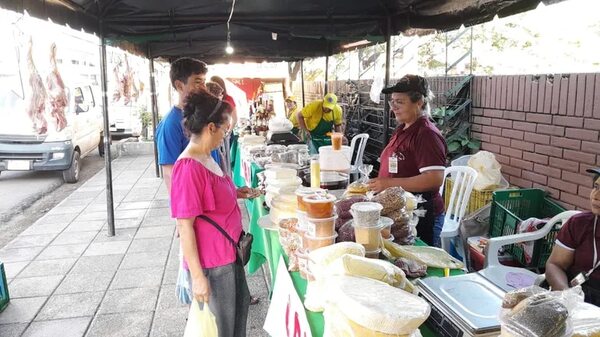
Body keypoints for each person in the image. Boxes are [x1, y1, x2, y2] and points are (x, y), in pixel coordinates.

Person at [170, 91, 255, 336]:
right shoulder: (188, 168)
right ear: (210, 127)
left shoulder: (207, 156)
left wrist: (237, 192)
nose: (224, 135)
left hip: (230, 256)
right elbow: (184, 226)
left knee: (234, 323)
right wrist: (197, 277)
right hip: (213, 266)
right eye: (223, 129)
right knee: (222, 329)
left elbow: (212, 197)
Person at [367, 75, 447, 247]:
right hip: (401, 212)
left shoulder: (426, 134)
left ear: (419, 102)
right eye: (392, 101)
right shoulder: (404, 128)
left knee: (421, 262)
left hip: (421, 215)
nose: (393, 107)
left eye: (400, 102)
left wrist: (388, 184)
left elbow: (434, 178)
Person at [155, 57, 221, 192]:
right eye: (197, 82)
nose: (204, 88)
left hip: (212, 198)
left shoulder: (202, 115)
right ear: (179, 85)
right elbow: (170, 173)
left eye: (204, 82)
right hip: (196, 205)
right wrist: (189, 212)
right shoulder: (170, 124)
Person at [546, 168, 600, 306]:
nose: (596, 195)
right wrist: (566, 295)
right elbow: (555, 264)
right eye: (596, 187)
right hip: (575, 296)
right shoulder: (579, 224)